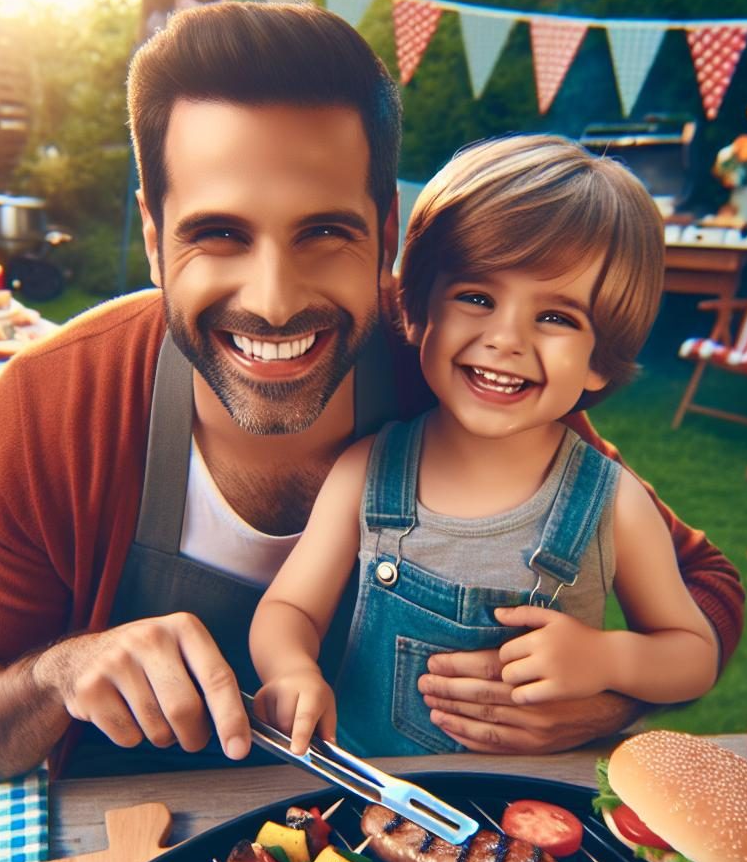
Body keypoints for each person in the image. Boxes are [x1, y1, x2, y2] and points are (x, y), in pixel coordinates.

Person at [0, 2, 743, 788]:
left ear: (385, 242)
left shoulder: (461, 374)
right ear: (153, 239)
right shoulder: (53, 409)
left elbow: (704, 589)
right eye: (218, 234)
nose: (274, 298)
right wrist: (54, 676)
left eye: (325, 232)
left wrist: (606, 692)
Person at [249, 136, 720, 756]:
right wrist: (291, 670)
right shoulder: (367, 471)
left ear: (600, 361)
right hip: (369, 802)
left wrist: (608, 658)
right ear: (418, 315)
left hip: (536, 817)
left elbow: (693, 654)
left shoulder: (613, 504)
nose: (506, 338)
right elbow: (290, 608)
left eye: (556, 317)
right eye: (477, 298)